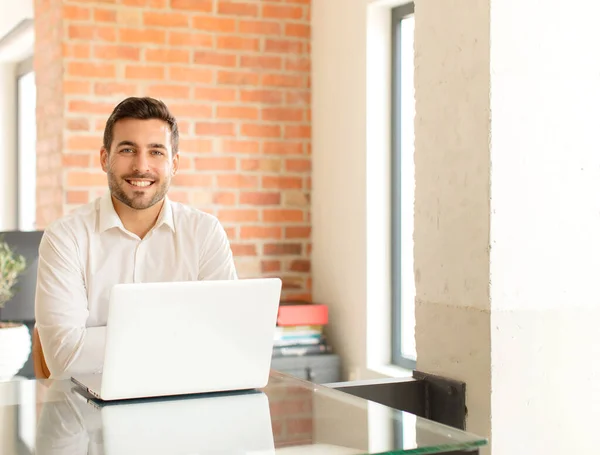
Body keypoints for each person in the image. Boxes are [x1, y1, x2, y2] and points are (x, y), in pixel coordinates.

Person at [34, 97, 237, 379]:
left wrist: (100, 340)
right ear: (105, 159)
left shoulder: (205, 233)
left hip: (186, 407)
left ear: (174, 164)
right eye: (128, 149)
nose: (142, 166)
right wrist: (182, 332)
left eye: (156, 152)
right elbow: (64, 360)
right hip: (88, 416)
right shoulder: (66, 238)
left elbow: (226, 342)